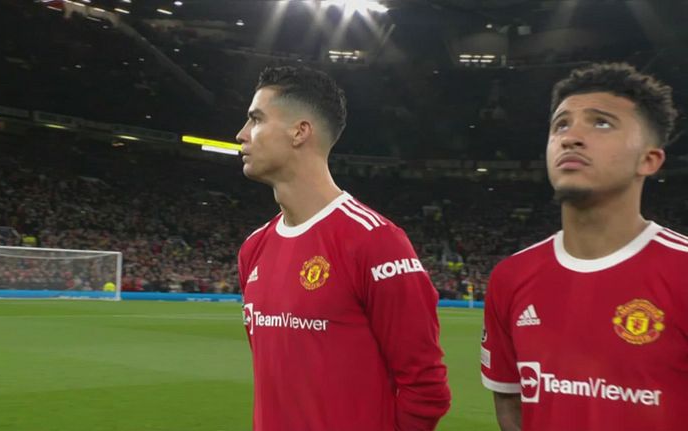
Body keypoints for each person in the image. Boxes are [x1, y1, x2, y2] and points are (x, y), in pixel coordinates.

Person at [236, 66, 451, 431]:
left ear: (300, 132)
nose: (241, 134)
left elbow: (426, 389)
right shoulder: (253, 249)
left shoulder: (375, 241)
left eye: (256, 119)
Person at [481, 62, 686, 431]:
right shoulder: (510, 277)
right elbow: (510, 400)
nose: (571, 137)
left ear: (649, 160)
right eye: (561, 125)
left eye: (601, 123)